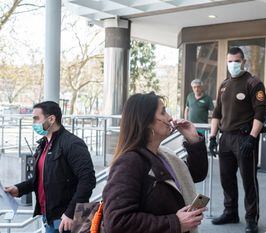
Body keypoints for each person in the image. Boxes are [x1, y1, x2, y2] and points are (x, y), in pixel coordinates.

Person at [102, 92, 208, 233]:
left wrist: (194, 140)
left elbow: (195, 174)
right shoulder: (129, 162)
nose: (170, 117)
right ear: (146, 122)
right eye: (163, 112)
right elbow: (116, 222)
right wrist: (174, 223)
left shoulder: (163, 154)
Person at [4, 101, 96, 233]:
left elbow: (88, 180)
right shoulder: (43, 145)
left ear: (51, 119)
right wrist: (18, 189)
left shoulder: (73, 144)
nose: (34, 123)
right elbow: (43, 178)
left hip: (68, 220)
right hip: (49, 218)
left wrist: (71, 213)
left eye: (36, 118)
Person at [209, 47, 266, 233]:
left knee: (248, 180)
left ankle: (252, 219)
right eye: (230, 61)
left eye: (237, 61)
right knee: (226, 178)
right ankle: (230, 212)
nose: (233, 64)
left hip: (244, 138)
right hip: (225, 138)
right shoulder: (224, 84)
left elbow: (261, 112)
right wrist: (212, 136)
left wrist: (252, 137)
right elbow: (217, 112)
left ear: (243, 61)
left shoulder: (253, 83)